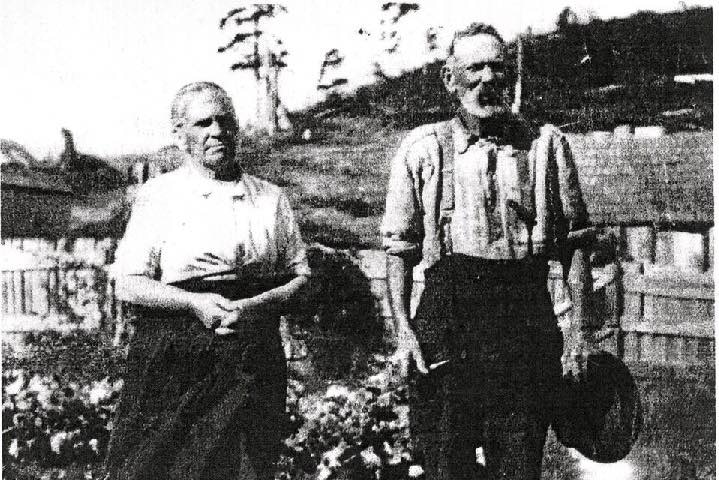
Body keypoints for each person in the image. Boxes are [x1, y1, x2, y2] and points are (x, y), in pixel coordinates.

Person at [381, 23, 595, 479]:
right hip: (448, 322)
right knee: (444, 465)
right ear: (450, 79)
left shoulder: (546, 146)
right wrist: (404, 332)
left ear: (511, 76)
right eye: (473, 68)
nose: (487, 80)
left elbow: (576, 246)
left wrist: (578, 333)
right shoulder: (423, 149)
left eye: (497, 68)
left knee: (518, 465)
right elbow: (399, 249)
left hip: (524, 325)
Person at [104, 81, 310, 480]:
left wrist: (255, 306)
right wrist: (193, 303)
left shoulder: (270, 198)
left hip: (251, 350)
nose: (217, 131)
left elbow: (301, 276)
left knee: (248, 466)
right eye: (203, 123)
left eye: (225, 120)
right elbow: (127, 283)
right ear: (180, 135)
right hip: (176, 352)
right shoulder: (159, 196)